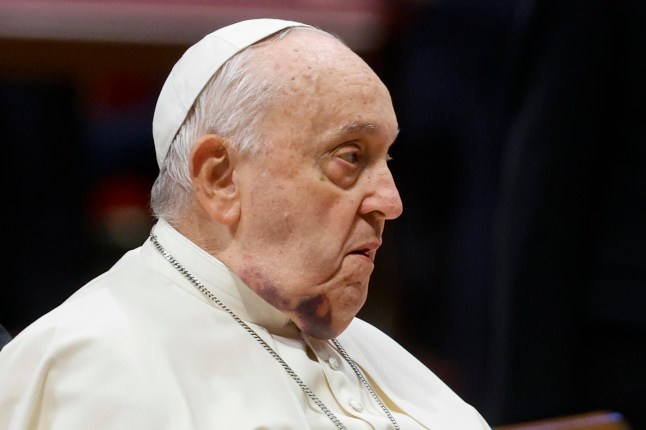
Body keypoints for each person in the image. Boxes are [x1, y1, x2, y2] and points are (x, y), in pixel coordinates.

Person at [0, 18, 491, 429]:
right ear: (221, 178)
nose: (390, 201)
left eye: (387, 160)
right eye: (350, 157)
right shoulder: (96, 367)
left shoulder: (362, 344)